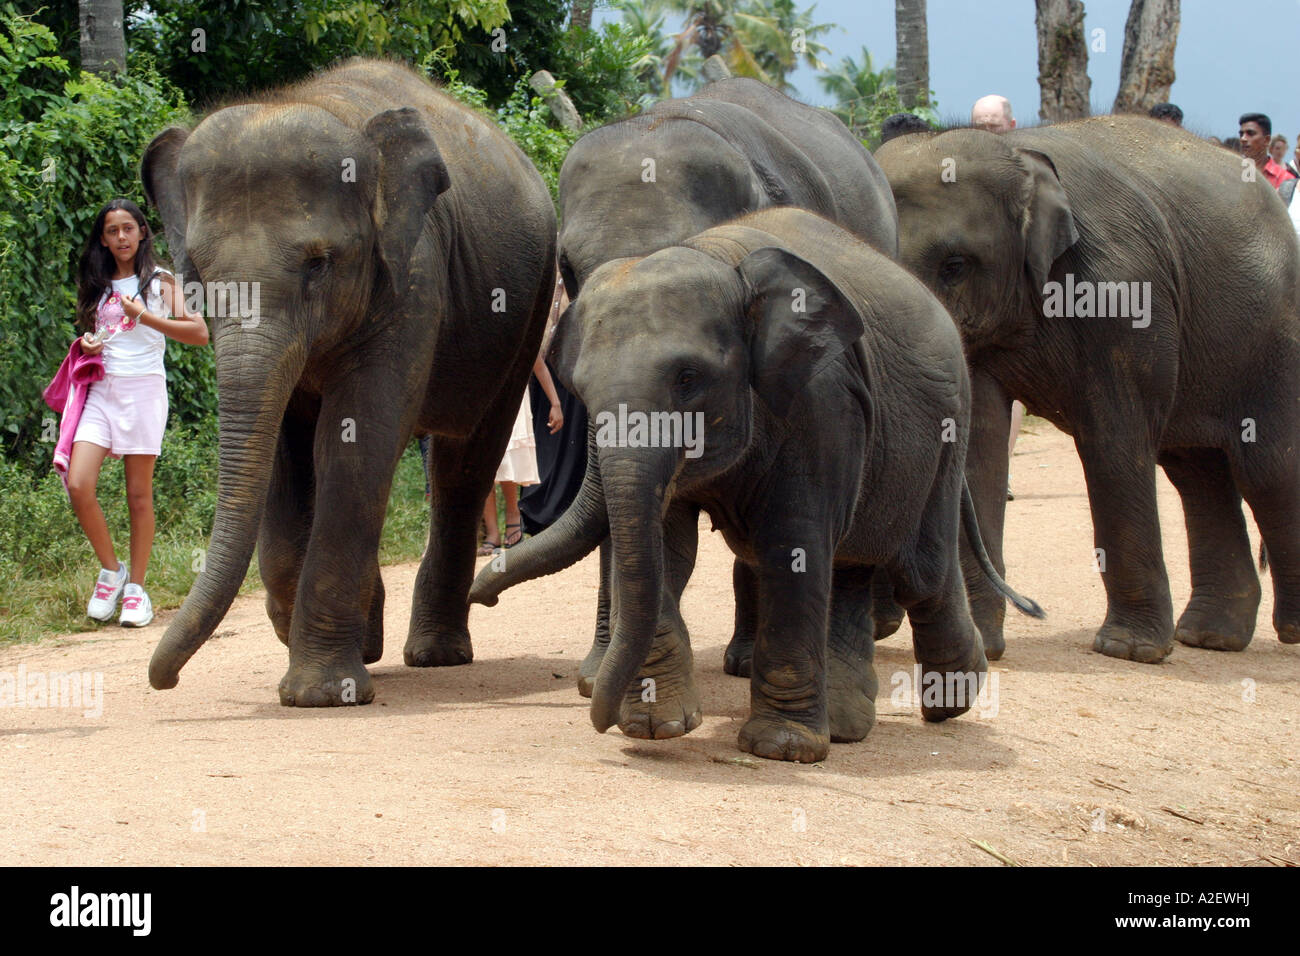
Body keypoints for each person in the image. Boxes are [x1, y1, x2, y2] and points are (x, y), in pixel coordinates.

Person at [68, 199, 209, 626]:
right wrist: (90, 342)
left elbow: (199, 332)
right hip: (101, 391)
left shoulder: (159, 280)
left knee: (138, 496)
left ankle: (137, 591)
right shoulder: (97, 281)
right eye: (112, 231)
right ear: (104, 238)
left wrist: (146, 316)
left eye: (128, 228)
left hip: (144, 392)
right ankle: (112, 571)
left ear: (143, 231)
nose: (121, 238)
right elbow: (102, 332)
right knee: (78, 483)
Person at [971, 94, 1022, 499]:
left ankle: (999, 467)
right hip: (972, 290)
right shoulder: (959, 171)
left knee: (1013, 379)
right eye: (980, 126)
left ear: (1011, 125)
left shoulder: (1025, 170)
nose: (987, 132)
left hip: (1018, 290)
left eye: (993, 125)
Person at [480, 344, 564, 553]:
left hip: (512, 399)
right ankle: (492, 533)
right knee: (482, 466)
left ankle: (513, 517)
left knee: (507, 459)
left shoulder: (521, 323)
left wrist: (556, 404)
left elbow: (539, 366)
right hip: (481, 399)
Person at [1239, 113, 1297, 188]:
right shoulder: (1233, 172)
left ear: (1267, 140)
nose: (1243, 139)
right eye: (1241, 134)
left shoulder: (1286, 180)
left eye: (1250, 133)